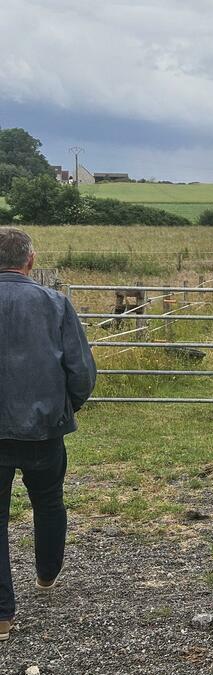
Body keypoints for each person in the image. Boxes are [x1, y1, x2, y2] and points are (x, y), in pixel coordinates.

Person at [0, 228, 96, 640]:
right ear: (30, 260)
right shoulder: (54, 304)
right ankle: (46, 573)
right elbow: (81, 372)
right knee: (49, 500)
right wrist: (64, 408)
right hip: (43, 430)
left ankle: (2, 616)